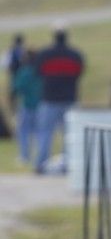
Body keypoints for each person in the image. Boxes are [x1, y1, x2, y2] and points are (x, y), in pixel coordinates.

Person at [35, 28, 84, 174]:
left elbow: (38, 72)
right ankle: (67, 164)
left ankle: (41, 164)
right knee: (69, 135)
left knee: (45, 132)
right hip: (69, 98)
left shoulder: (45, 54)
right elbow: (79, 73)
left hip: (49, 99)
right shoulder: (75, 55)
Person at [12, 49, 42, 164]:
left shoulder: (23, 72)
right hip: (40, 106)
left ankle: (24, 156)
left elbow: (17, 88)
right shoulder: (40, 71)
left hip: (26, 105)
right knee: (39, 132)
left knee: (23, 131)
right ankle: (39, 155)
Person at [7, 34, 25, 111]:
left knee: (13, 89)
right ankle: (15, 107)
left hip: (14, 72)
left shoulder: (12, 50)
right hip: (18, 72)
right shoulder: (21, 50)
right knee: (17, 90)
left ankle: (13, 107)